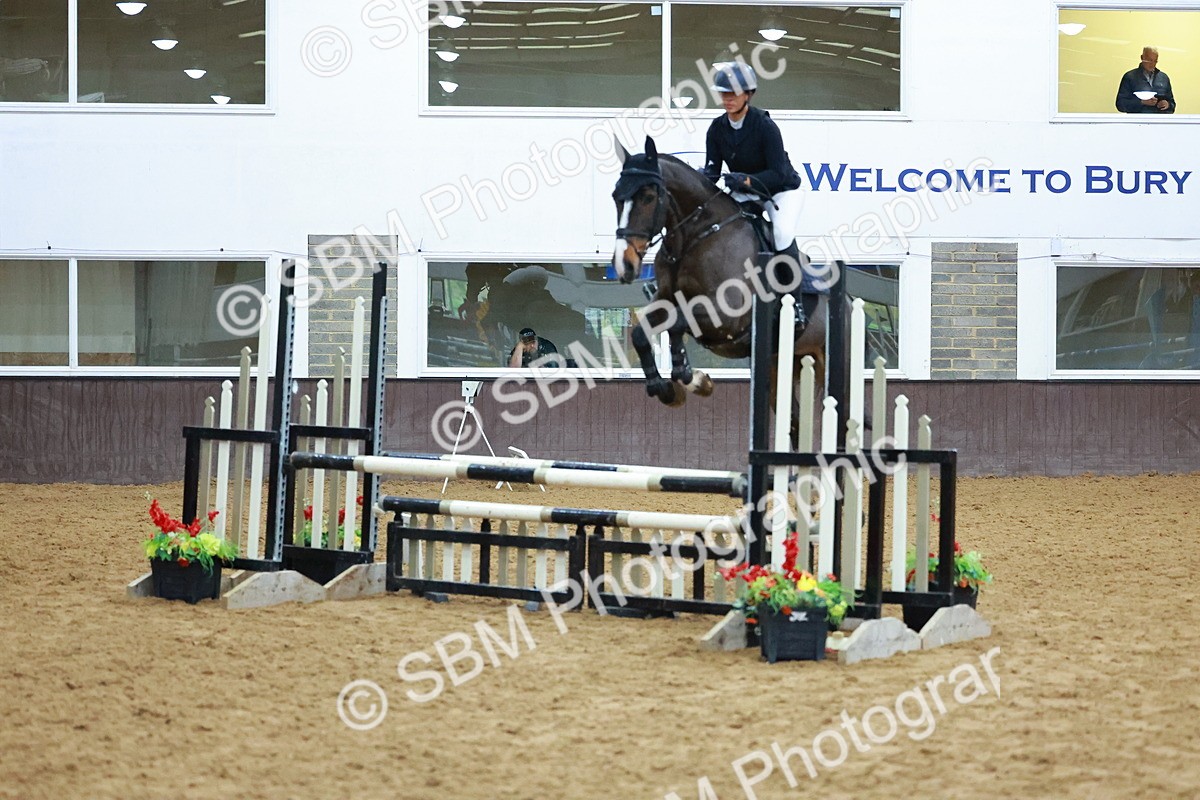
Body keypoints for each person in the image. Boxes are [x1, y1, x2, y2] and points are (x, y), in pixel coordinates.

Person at [702, 62, 804, 254]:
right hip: (744, 191)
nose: (728, 99)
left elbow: (778, 174)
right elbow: (712, 172)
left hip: (780, 192)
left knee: (782, 234)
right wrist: (699, 179)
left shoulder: (766, 126)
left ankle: (795, 281)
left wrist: (746, 179)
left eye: (734, 94)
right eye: (724, 94)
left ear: (748, 94)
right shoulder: (716, 128)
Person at [1116, 47, 1175, 114]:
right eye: (1149, 60)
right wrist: (1141, 102)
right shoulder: (1130, 77)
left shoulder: (1163, 78)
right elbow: (1120, 104)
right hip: (1137, 121)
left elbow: (1172, 104)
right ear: (1142, 58)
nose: (1152, 64)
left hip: (1159, 121)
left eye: (1155, 61)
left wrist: (1167, 105)